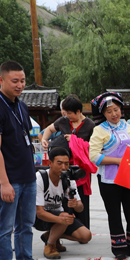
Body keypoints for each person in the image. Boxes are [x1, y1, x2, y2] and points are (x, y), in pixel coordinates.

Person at [0, 60, 52, 260]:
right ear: (1, 80)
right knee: (4, 226)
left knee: (25, 224)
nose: (20, 85)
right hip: (8, 179)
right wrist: (4, 183)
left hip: (28, 176)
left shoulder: (20, 105)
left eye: (22, 80)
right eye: (15, 81)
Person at [89, 91, 130, 258]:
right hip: (109, 179)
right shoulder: (99, 130)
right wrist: (117, 161)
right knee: (114, 213)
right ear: (103, 114)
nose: (113, 114)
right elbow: (93, 156)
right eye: (109, 111)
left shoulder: (128, 127)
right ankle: (119, 248)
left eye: (116, 109)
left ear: (121, 109)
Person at [40, 94, 95, 228]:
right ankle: (66, 226)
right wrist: (44, 140)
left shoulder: (90, 125)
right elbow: (49, 129)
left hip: (80, 167)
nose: (67, 116)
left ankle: (82, 227)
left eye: (69, 113)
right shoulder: (63, 121)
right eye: (65, 113)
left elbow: (93, 147)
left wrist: (75, 141)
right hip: (63, 166)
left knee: (81, 196)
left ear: (78, 111)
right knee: (63, 195)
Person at [35, 147, 92, 259]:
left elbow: (80, 208)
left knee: (86, 236)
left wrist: (76, 204)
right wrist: (61, 220)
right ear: (50, 163)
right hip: (38, 219)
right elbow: (39, 213)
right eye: (59, 163)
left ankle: (50, 236)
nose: (64, 167)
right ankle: (50, 246)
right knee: (65, 216)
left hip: (60, 216)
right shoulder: (40, 178)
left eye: (66, 164)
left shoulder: (69, 179)